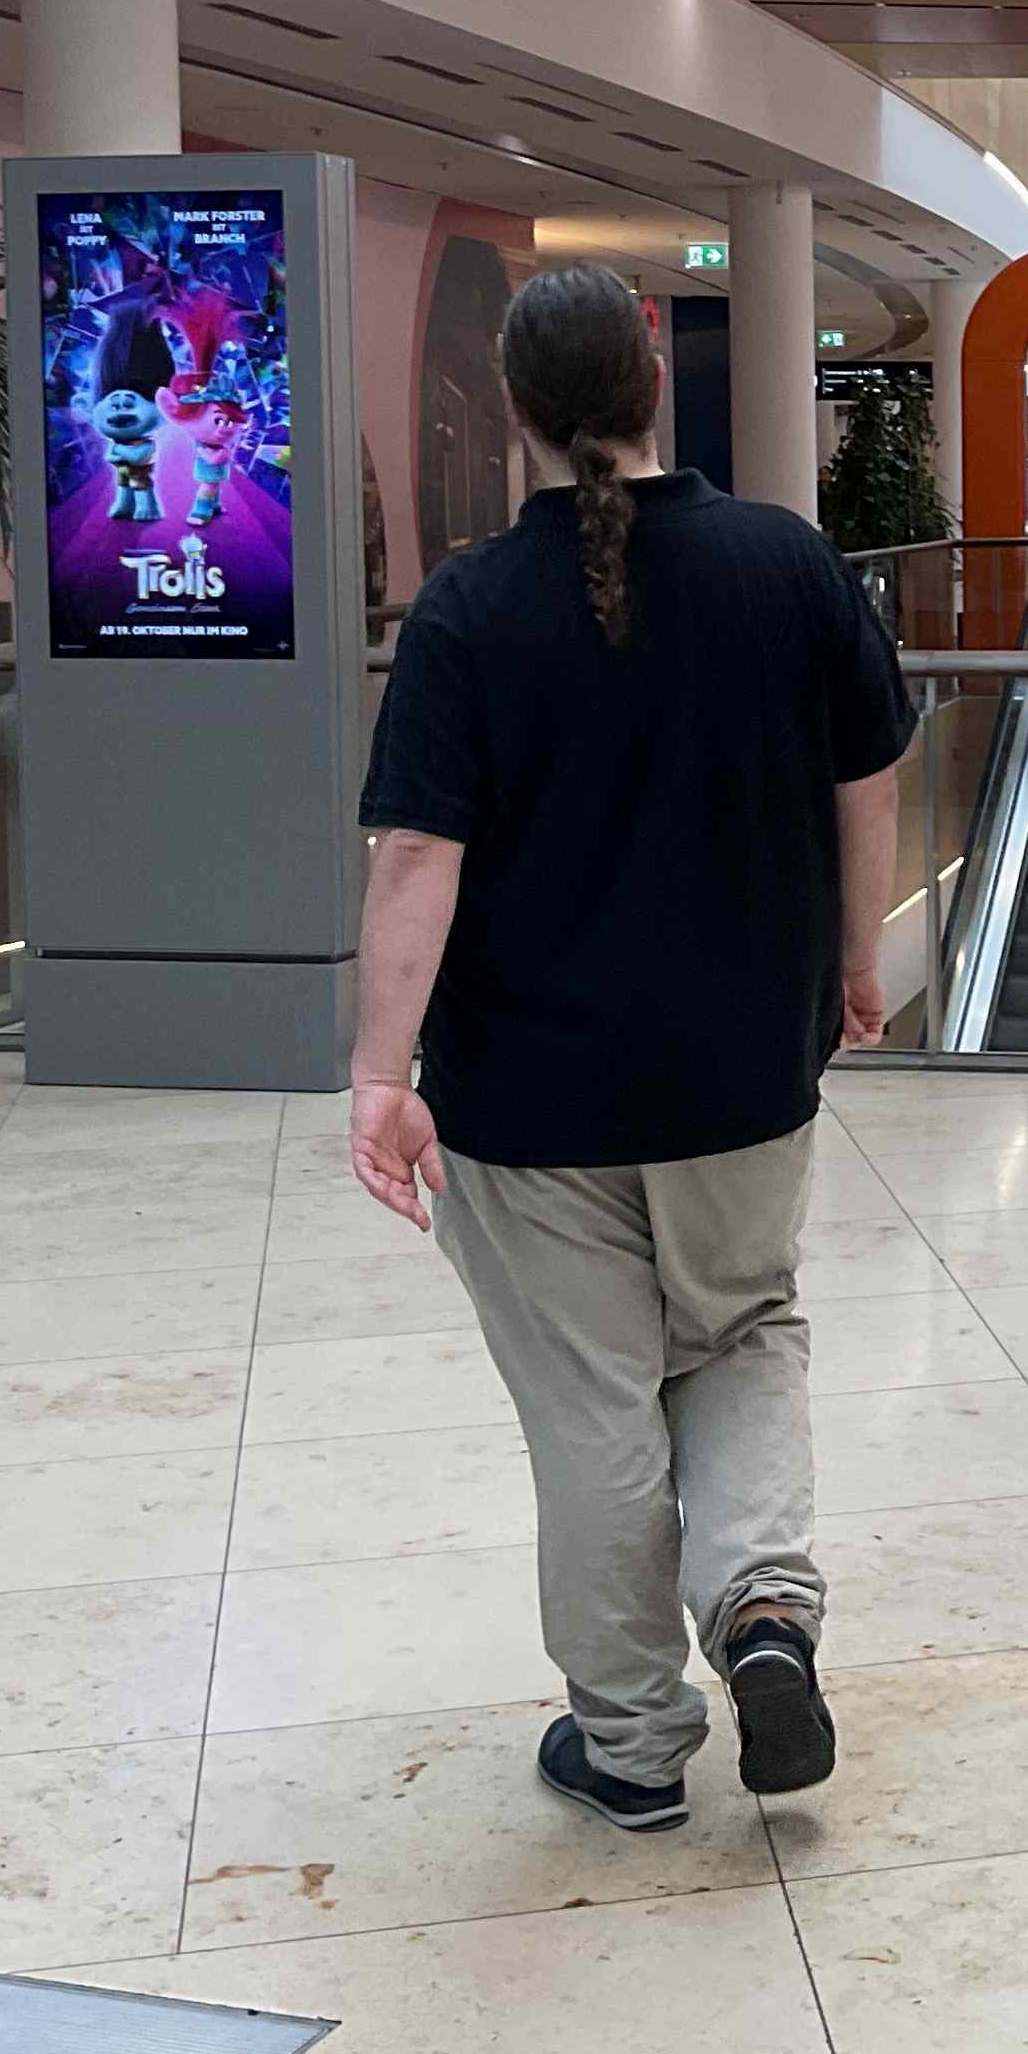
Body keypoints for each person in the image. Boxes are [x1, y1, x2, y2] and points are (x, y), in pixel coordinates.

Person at [349, 265, 913, 1833]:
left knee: (592, 1402)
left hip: (530, 1101)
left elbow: (418, 856)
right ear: (655, 379)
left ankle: (635, 1746)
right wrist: (857, 962)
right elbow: (869, 777)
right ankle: (765, 1611)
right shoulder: (788, 565)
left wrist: (381, 1072)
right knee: (741, 1334)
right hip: (745, 1072)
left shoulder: (469, 608)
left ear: (514, 409)